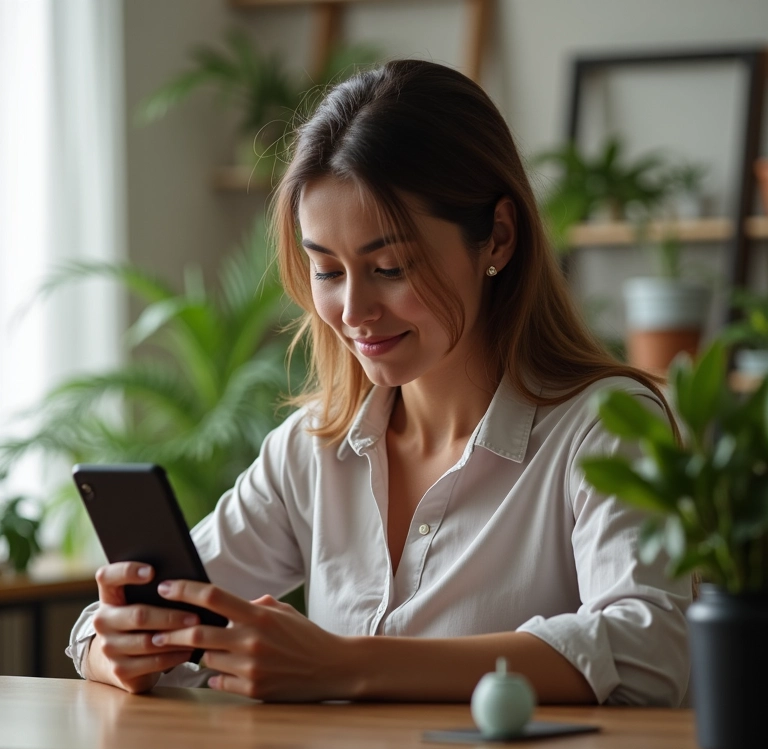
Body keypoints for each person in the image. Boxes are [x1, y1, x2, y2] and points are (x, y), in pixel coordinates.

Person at [67, 59, 691, 705]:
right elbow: (112, 624)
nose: (354, 312)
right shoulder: (311, 449)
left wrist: (345, 664)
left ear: (498, 238)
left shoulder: (607, 425)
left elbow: (645, 654)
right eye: (328, 271)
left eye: (390, 267)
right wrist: (117, 646)